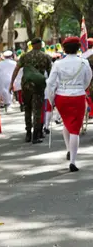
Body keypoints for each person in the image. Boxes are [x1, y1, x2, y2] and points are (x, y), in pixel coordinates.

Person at [46, 36, 93, 172]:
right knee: (75, 130)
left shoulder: (58, 64)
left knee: (67, 124)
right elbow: (88, 79)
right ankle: (72, 161)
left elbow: (50, 83)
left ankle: (68, 149)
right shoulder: (83, 62)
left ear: (64, 49)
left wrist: (51, 99)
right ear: (78, 48)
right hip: (77, 96)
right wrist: (80, 88)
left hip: (62, 97)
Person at [10, 37, 52, 143]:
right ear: (40, 45)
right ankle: (36, 135)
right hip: (38, 86)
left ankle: (28, 134)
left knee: (27, 109)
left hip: (26, 85)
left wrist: (11, 83)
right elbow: (51, 73)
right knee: (37, 110)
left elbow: (16, 69)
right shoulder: (45, 57)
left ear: (32, 45)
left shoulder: (24, 56)